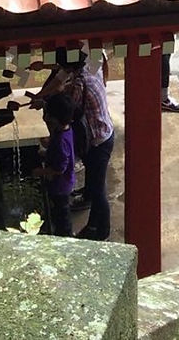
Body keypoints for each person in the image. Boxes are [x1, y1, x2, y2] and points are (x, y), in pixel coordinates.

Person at [32, 48, 115, 240]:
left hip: (98, 140)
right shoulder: (90, 66)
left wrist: (44, 103)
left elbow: (66, 110)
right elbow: (59, 78)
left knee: (98, 189)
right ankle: (89, 205)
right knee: (94, 183)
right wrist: (42, 91)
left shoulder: (79, 84)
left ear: (69, 66)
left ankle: (100, 229)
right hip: (102, 130)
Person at [35, 91, 75, 236]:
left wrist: (42, 172)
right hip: (63, 184)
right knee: (57, 211)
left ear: (55, 119)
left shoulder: (60, 141)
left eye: (48, 116)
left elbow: (60, 168)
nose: (46, 118)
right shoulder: (66, 131)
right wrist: (47, 152)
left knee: (62, 216)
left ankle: (66, 238)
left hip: (61, 186)